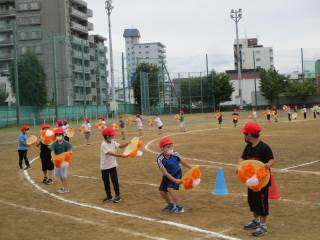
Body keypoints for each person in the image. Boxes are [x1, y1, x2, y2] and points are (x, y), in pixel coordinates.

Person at [240, 122, 275, 237]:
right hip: (251, 182)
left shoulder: (264, 147)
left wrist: (267, 165)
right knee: (252, 201)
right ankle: (256, 221)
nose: (244, 136)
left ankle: (263, 226)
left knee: (262, 203)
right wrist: (240, 167)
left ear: (250, 134)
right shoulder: (248, 147)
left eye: (245, 133)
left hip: (262, 182)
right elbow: (242, 159)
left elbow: (272, 159)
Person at [157, 137, 192, 213]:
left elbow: (182, 162)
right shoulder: (160, 159)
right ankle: (171, 205)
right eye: (168, 147)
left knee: (170, 189)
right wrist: (175, 180)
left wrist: (191, 168)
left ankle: (180, 207)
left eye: (171, 146)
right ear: (162, 148)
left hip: (177, 173)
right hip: (167, 175)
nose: (170, 148)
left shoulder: (175, 154)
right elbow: (165, 173)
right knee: (162, 191)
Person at [100, 127, 129, 203]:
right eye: (111, 135)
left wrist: (127, 144)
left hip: (112, 165)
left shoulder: (112, 141)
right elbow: (110, 153)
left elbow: (120, 146)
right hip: (104, 166)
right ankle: (109, 196)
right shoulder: (103, 144)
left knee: (115, 181)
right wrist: (121, 155)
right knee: (106, 182)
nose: (113, 136)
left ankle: (117, 196)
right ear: (107, 136)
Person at [50, 128, 72, 194]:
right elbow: (52, 152)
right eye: (57, 135)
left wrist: (63, 160)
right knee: (60, 175)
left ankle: (66, 188)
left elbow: (69, 153)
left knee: (63, 175)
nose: (58, 136)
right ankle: (64, 187)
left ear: (63, 135)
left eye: (60, 134)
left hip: (64, 162)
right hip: (57, 162)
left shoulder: (67, 143)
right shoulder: (54, 144)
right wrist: (53, 158)